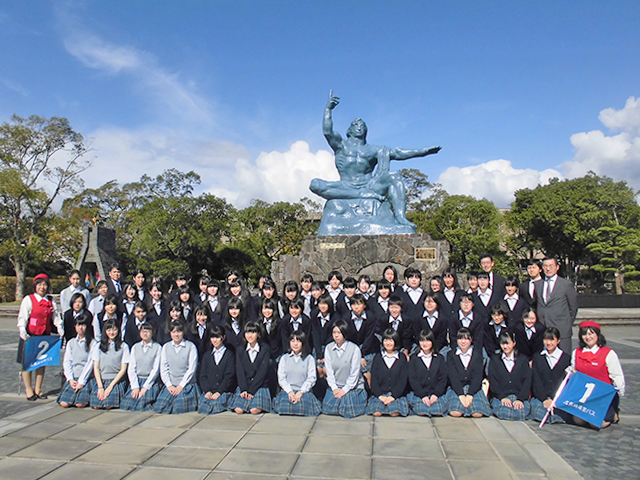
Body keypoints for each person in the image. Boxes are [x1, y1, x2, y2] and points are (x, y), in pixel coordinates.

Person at [310, 92, 440, 227]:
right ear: (349, 131)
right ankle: (360, 194)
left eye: (362, 126)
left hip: (370, 186)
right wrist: (328, 110)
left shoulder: (374, 150)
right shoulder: (341, 146)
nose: (359, 127)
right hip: (346, 186)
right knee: (315, 184)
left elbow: (398, 153)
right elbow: (327, 132)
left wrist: (422, 152)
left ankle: (400, 217)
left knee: (394, 176)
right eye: (356, 125)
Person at [17, 273, 63, 401]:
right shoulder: (29, 299)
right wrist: (22, 330)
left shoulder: (50, 300)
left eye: (45, 285)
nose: (42, 287)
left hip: (44, 336)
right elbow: (23, 317)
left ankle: (38, 388)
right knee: (27, 363)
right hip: (30, 335)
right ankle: (28, 389)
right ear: (35, 286)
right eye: (40, 284)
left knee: (41, 362)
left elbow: (56, 317)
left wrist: (60, 328)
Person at [571, 321, 625, 428]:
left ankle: (613, 412)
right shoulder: (576, 352)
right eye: (585, 334)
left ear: (597, 335)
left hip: (602, 396)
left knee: (597, 424)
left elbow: (617, 375)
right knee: (578, 421)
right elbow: (573, 372)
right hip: (585, 395)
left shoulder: (609, 353)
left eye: (591, 333)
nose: (588, 337)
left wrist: (618, 390)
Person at [322, 319, 368, 418]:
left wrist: (345, 389)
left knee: (348, 409)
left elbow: (354, 373)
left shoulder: (354, 349)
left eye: (339, 332)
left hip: (353, 387)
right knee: (328, 408)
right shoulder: (329, 348)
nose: (336, 335)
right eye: (334, 332)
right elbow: (329, 372)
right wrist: (334, 388)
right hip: (336, 386)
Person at [154, 320, 201, 414]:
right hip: (171, 385)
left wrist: (181, 385)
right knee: (160, 406)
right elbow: (164, 368)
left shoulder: (190, 346)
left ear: (183, 332)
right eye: (173, 332)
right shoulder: (166, 347)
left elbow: (191, 369)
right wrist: (169, 385)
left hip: (187, 385)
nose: (176, 334)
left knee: (178, 407)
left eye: (179, 331)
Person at [535, 257, 578, 352]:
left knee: (563, 360)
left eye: (551, 266)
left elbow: (573, 307)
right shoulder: (538, 285)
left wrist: (567, 324)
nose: (548, 269)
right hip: (543, 328)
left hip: (562, 330)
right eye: (545, 266)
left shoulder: (566, 285)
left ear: (557, 267)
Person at [273, 331, 322, 416]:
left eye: (298, 341)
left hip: (304, 392)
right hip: (287, 391)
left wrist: (301, 392)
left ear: (303, 343)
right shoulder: (284, 358)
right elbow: (281, 378)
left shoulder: (309, 358)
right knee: (284, 408)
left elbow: (312, 378)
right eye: (292, 341)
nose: (295, 344)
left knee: (303, 407)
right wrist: (290, 392)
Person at [445, 328, 491, 418]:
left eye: (466, 339)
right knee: (455, 412)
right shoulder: (451, 354)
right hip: (457, 388)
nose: (463, 341)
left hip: (473, 387)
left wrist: (470, 394)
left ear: (471, 340)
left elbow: (477, 377)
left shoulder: (477, 354)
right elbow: (453, 377)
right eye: (460, 338)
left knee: (477, 413)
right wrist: (461, 395)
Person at [529, 327, 572, 424]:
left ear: (558, 341)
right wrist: (544, 399)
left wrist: (555, 399)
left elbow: (565, 382)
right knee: (537, 412)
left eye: (552, 339)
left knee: (560, 414)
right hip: (541, 397)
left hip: (557, 398)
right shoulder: (538, 357)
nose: (548, 343)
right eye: (546, 339)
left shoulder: (565, 358)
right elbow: (536, 380)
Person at [488, 331, 532, 421]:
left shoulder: (523, 359)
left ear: (514, 343)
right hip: (501, 396)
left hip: (518, 396)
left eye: (507, 343)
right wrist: (502, 397)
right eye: (502, 343)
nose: (505, 347)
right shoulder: (495, 359)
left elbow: (527, 380)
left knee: (520, 413)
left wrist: (520, 398)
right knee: (503, 412)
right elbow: (493, 380)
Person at [230, 321, 272, 414]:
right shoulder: (240, 349)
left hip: (260, 386)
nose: (250, 335)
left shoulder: (265, 348)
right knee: (239, 410)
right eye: (247, 332)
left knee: (254, 410)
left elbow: (262, 372)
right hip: (245, 385)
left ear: (258, 334)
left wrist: (252, 391)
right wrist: (244, 389)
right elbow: (239, 371)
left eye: (253, 332)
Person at [366, 329, 409, 417]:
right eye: (386, 340)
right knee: (377, 413)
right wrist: (380, 396)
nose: (388, 343)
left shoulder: (401, 357)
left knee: (394, 413)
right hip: (380, 394)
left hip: (396, 395)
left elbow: (403, 380)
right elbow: (374, 379)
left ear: (395, 341)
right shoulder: (378, 357)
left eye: (391, 340)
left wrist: (393, 396)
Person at [120, 322, 162, 412]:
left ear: (152, 333)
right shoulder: (135, 347)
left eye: (148, 331)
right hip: (137, 380)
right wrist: (135, 386)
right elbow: (131, 368)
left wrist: (146, 387)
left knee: (142, 405)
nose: (145, 333)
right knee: (126, 405)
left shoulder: (157, 347)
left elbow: (156, 369)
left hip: (150, 381)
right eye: (143, 331)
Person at [57, 312, 96, 408]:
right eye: (78, 325)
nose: (80, 328)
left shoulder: (93, 343)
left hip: (86, 378)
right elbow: (67, 361)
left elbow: (90, 363)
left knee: (80, 404)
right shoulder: (71, 343)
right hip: (73, 377)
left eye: (83, 325)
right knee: (64, 403)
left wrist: (82, 381)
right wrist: (70, 379)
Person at [90, 319, 129, 409]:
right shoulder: (98, 346)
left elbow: (123, 369)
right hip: (102, 379)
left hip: (116, 380)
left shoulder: (124, 346)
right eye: (109, 330)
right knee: (96, 405)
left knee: (108, 405)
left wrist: (111, 386)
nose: (112, 332)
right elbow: (96, 367)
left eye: (114, 330)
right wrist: (100, 386)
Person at [407, 329, 448, 417]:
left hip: (436, 394)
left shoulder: (439, 358)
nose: (425, 343)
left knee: (438, 411)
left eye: (428, 340)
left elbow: (443, 379)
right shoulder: (414, 358)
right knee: (422, 411)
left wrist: (436, 394)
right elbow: (412, 379)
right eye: (422, 340)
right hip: (419, 394)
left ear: (432, 341)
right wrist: (422, 395)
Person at [198, 325, 236, 415]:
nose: (215, 340)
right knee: (203, 408)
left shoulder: (229, 355)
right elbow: (203, 376)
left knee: (216, 407)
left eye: (217, 337)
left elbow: (229, 376)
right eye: (212, 337)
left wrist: (219, 392)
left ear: (223, 337)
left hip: (223, 392)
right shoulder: (207, 355)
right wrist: (207, 391)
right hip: (210, 391)